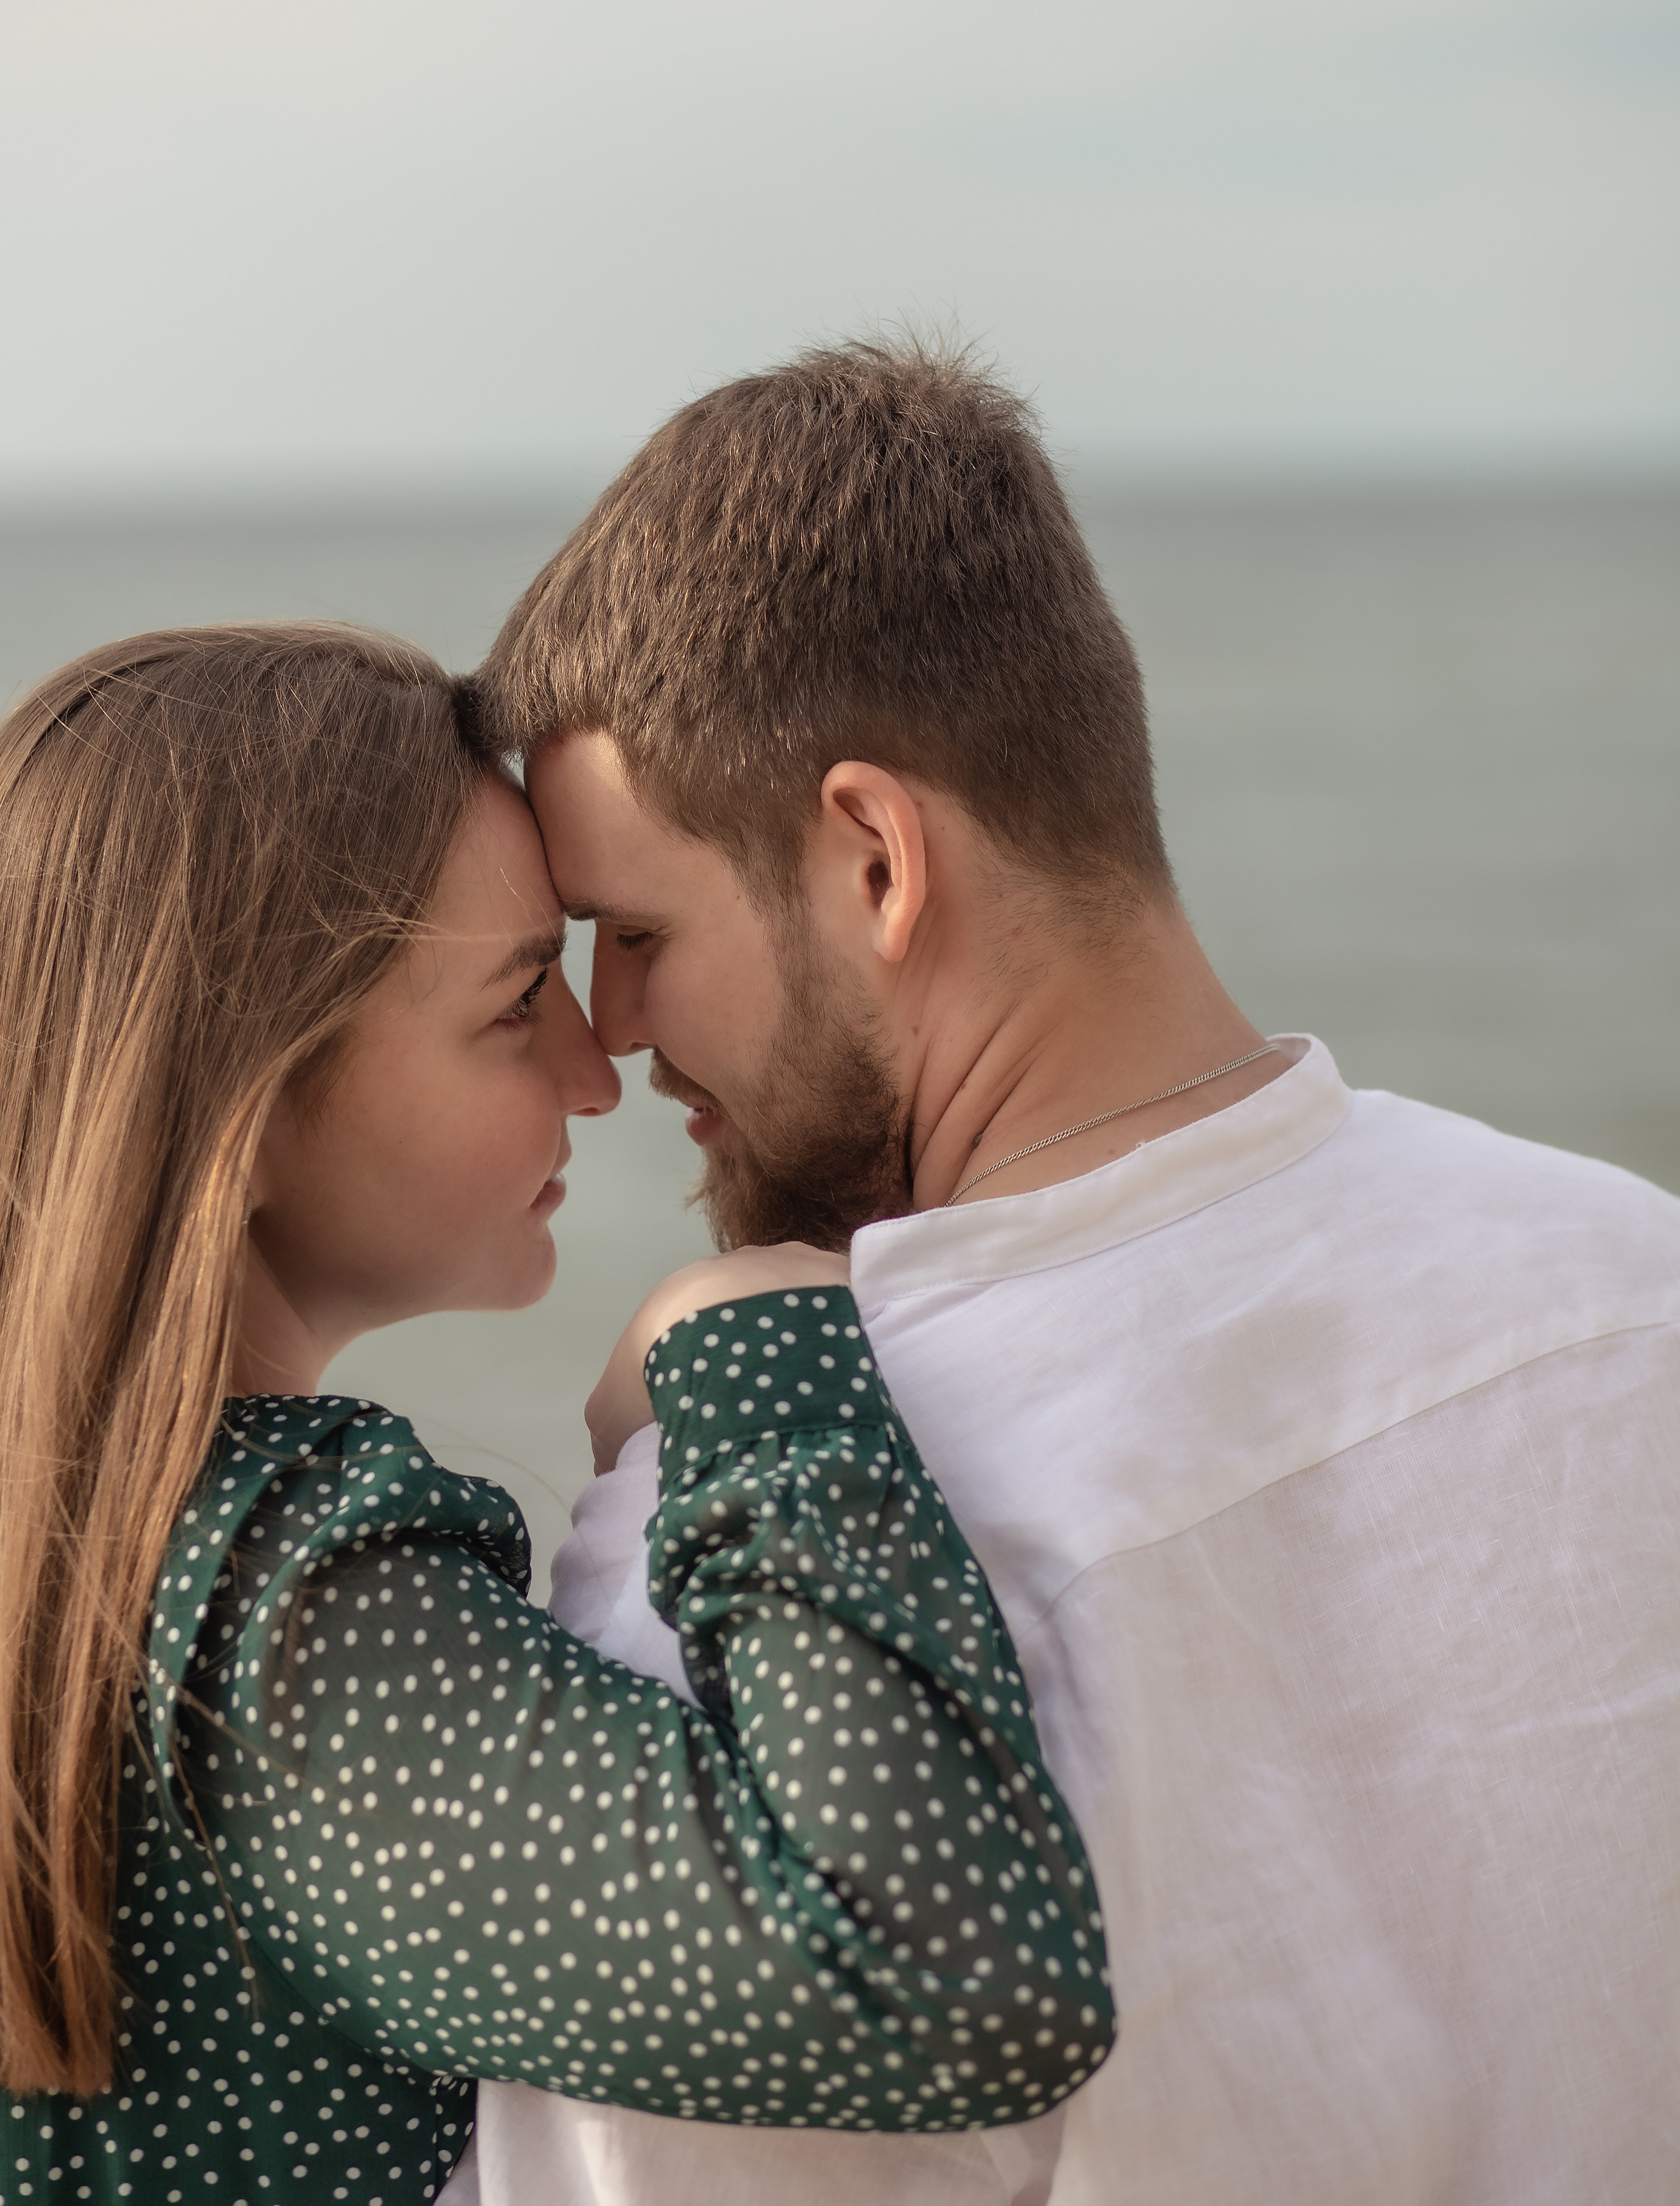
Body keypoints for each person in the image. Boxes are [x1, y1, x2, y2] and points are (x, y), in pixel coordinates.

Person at [470, 337, 1680, 2206]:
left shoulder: (765, 1586)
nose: (614, 1033)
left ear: (875, 857)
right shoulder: (1634, 1279)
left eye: (640, 931)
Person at [0, 621, 1114, 2206]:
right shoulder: (265, 1623)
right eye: (507, 1005)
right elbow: (942, 1974)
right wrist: (754, 1365)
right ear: (248, 1104)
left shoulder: (6, 1550)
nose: (594, 1072)